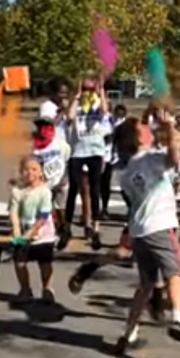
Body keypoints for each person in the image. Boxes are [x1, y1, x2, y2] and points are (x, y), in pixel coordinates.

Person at [114, 114, 180, 354]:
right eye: (142, 127)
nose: (147, 128)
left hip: (139, 231)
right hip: (160, 225)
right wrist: (171, 128)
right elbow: (175, 156)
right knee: (176, 271)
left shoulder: (126, 172)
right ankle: (179, 320)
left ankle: (128, 334)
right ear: (138, 138)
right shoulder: (150, 158)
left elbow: (178, 153)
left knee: (146, 285)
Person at [63, 75, 113, 249]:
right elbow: (69, 117)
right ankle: (67, 227)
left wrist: (100, 93)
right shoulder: (77, 107)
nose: (88, 93)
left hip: (95, 152)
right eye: (85, 89)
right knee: (73, 190)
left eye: (90, 89)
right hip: (78, 152)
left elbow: (105, 111)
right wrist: (77, 96)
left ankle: (95, 227)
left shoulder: (98, 106)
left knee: (95, 190)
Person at [9, 158, 57, 303]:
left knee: (45, 264)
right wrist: (17, 231)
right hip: (24, 233)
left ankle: (47, 289)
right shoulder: (17, 191)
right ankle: (25, 289)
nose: (30, 172)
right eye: (26, 169)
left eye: (34, 169)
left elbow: (43, 216)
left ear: (41, 172)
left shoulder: (44, 192)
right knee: (19, 262)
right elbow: (14, 212)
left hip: (43, 235)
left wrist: (33, 231)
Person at [31, 102, 71, 245]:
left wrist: (64, 178)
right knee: (46, 208)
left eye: (46, 126)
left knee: (61, 208)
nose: (43, 129)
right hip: (45, 183)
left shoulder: (59, 143)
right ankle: (50, 233)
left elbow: (66, 157)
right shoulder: (35, 147)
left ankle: (64, 229)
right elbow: (34, 165)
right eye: (40, 126)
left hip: (60, 180)